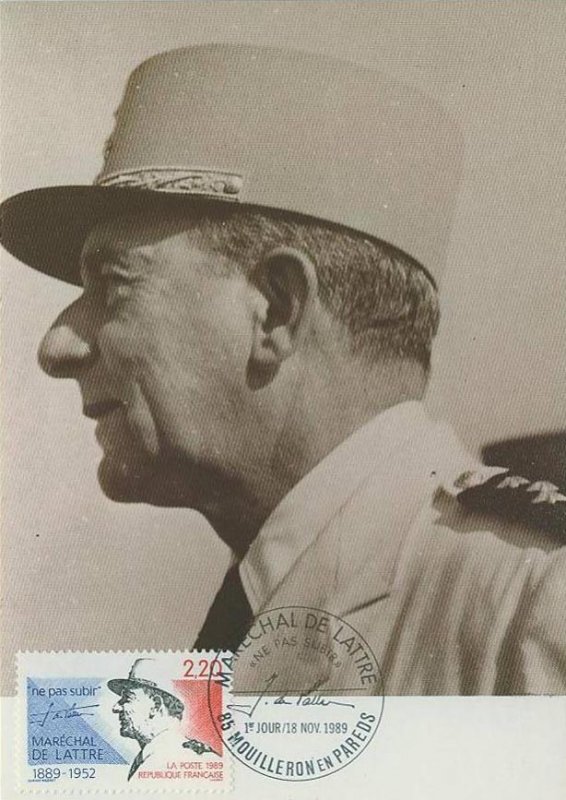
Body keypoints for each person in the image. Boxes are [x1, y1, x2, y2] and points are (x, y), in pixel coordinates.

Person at [1, 45, 564, 695]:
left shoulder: (537, 606)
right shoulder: (262, 606)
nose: (56, 347)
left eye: (114, 284)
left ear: (276, 308)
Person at [108, 658, 217, 780]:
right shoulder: (154, 757)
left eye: (127, 699)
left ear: (156, 706)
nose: (115, 708)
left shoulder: (185, 758)